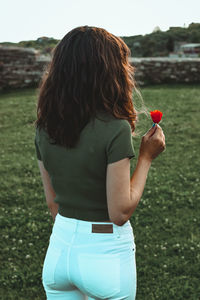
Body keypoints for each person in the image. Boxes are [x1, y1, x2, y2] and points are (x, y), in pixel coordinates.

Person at [34, 25, 165, 300]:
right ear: (111, 71)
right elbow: (119, 212)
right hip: (105, 255)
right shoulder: (114, 128)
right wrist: (145, 158)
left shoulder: (44, 127)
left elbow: (54, 205)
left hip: (59, 252)